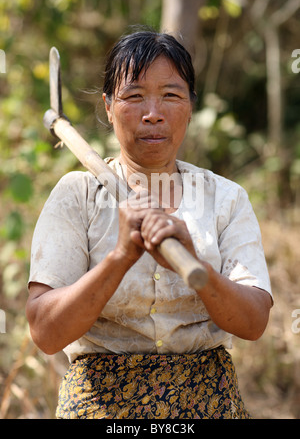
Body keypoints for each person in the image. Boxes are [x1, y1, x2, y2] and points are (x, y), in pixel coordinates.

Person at [26, 29, 273, 419]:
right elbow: (45, 331)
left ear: (191, 106)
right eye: (134, 96)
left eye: (171, 95)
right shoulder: (78, 194)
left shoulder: (225, 198)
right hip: (99, 406)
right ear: (108, 106)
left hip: (208, 403)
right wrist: (120, 257)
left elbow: (254, 321)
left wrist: (198, 267)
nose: (153, 113)